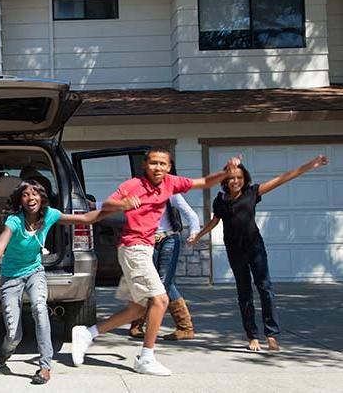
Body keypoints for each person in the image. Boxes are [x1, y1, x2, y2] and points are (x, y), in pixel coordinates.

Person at [71, 147, 241, 376]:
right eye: (153, 163)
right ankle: (146, 358)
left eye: (163, 163)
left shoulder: (171, 183)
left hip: (145, 248)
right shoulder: (133, 185)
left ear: (169, 167)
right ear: (145, 165)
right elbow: (108, 205)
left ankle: (88, 333)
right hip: (134, 248)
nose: (158, 167)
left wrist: (226, 172)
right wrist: (124, 204)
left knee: (137, 309)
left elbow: (204, 182)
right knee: (160, 299)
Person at [0, 179, 110, 385]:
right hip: (11, 275)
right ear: (20, 199)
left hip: (35, 271)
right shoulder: (15, 221)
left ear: (42, 197)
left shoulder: (51, 215)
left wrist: (112, 208)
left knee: (39, 307)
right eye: (26, 195)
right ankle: (5, 352)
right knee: (13, 333)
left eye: (35, 193)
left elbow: (87, 218)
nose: (31, 198)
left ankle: (45, 366)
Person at [188, 155, 328, 352]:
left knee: (265, 288)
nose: (235, 181)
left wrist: (310, 165)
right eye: (231, 178)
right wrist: (198, 235)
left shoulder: (252, 193)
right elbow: (215, 221)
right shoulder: (220, 200)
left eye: (239, 177)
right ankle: (252, 336)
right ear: (225, 181)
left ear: (245, 179)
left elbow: (283, 178)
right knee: (244, 293)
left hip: (255, 247)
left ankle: (271, 335)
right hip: (234, 250)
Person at [128, 193, 201, 341]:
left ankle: (184, 327)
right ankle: (137, 325)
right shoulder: (140, 190)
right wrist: (96, 206)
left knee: (162, 283)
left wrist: (194, 232)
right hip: (147, 241)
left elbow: (191, 215)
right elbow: (119, 204)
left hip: (169, 239)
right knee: (149, 281)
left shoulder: (171, 193)